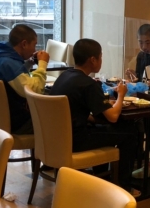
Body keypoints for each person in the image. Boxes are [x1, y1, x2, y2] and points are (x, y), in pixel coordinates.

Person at [50, 38, 138, 194]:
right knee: (130, 132)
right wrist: (121, 95)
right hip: (76, 140)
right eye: (101, 57)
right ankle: (124, 186)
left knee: (104, 127)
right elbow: (113, 116)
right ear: (93, 60)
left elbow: (74, 110)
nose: (101, 60)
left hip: (58, 138)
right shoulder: (88, 83)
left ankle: (103, 178)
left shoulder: (64, 76)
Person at [0, 24, 50, 134]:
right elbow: (34, 90)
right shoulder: (8, 63)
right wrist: (43, 64)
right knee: (59, 117)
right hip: (16, 123)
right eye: (34, 45)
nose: (35, 49)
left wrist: (28, 63)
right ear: (24, 44)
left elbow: (14, 80)